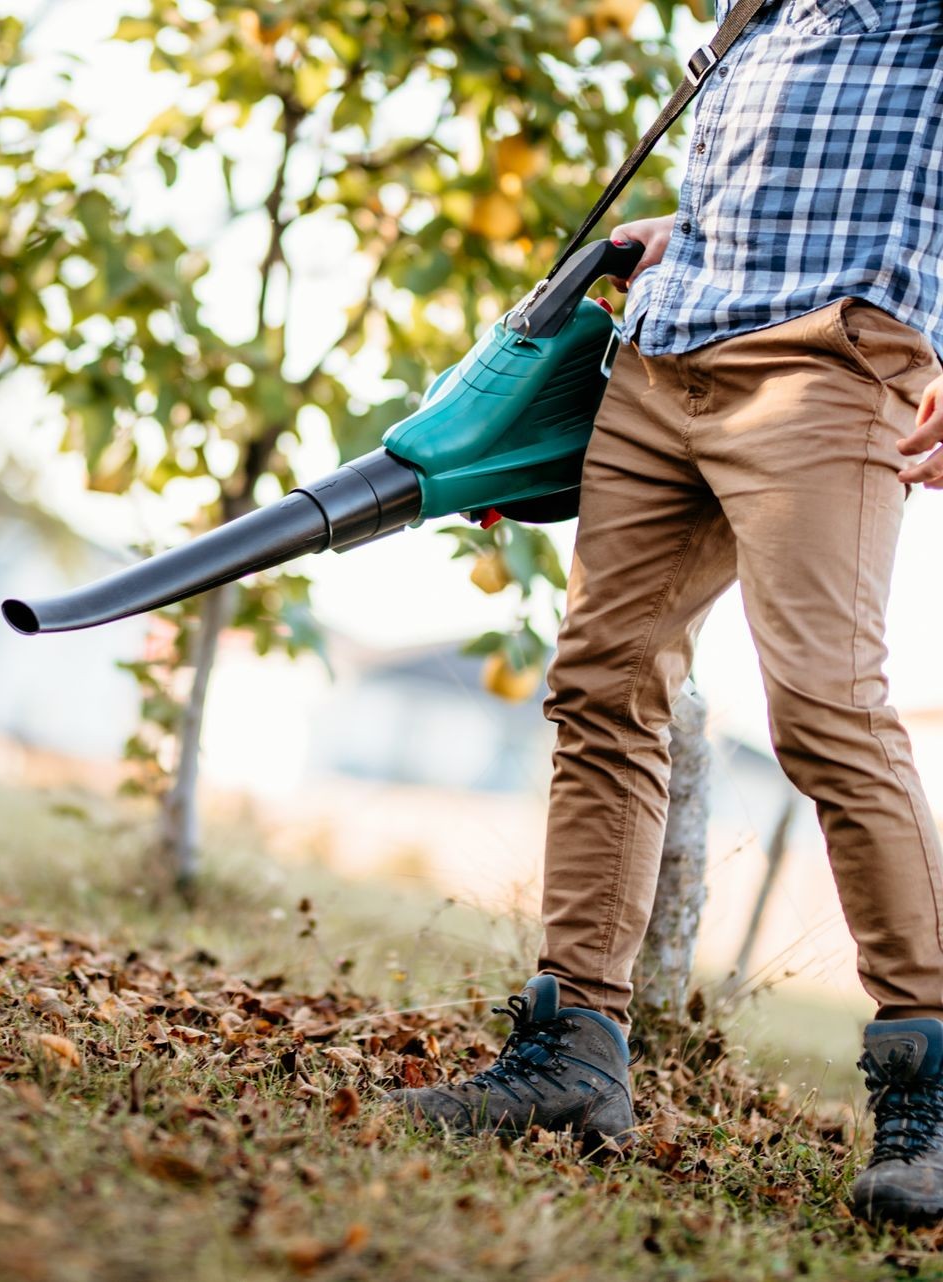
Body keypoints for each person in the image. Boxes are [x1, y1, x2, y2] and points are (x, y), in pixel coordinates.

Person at [389, 0, 943, 1224]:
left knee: (826, 712)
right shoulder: (759, 9)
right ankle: (574, 1052)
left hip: (828, 367)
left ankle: (929, 1076)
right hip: (662, 357)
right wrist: (684, 234)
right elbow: (786, 174)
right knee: (600, 689)